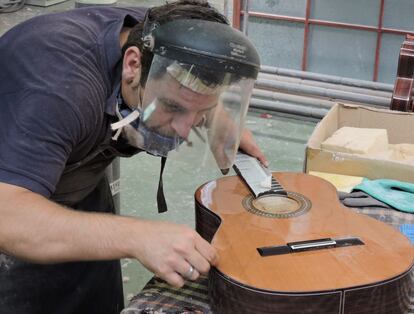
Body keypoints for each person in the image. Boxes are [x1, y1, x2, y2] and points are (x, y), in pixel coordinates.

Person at [0, 1, 267, 313]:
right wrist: (137, 236)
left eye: (200, 112)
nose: (184, 132)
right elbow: (8, 216)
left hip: (75, 174)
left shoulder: (156, 34)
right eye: (174, 107)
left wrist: (217, 116)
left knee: (95, 294)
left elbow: (188, 86)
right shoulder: (57, 91)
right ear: (132, 65)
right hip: (13, 197)